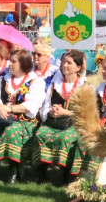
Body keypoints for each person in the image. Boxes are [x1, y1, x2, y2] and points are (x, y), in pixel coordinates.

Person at [0, 46, 51, 181]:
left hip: (26, 122)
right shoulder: (3, 80)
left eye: (13, 61)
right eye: (10, 61)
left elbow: (32, 105)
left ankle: (15, 170)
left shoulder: (36, 81)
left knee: (13, 131)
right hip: (3, 119)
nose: (9, 64)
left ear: (23, 64)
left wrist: (10, 109)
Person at [34, 50, 88, 180]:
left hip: (73, 124)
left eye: (69, 63)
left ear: (78, 67)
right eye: (64, 62)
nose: (65, 65)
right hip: (54, 121)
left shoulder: (85, 87)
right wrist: (51, 111)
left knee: (65, 138)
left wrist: (66, 112)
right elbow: (46, 105)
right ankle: (42, 172)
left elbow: (85, 113)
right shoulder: (55, 84)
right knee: (41, 134)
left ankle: (65, 173)